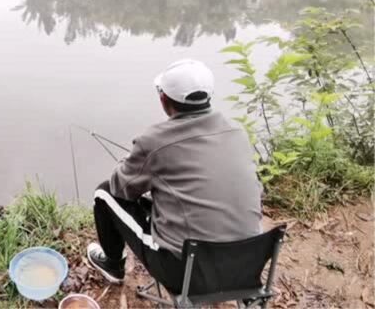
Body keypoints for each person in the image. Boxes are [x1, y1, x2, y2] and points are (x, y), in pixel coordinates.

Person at [86, 59, 263, 292]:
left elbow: (121, 187)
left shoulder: (154, 141)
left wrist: (129, 162)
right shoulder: (238, 133)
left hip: (186, 273)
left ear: (163, 99)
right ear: (208, 97)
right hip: (248, 264)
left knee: (104, 193)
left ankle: (113, 266)